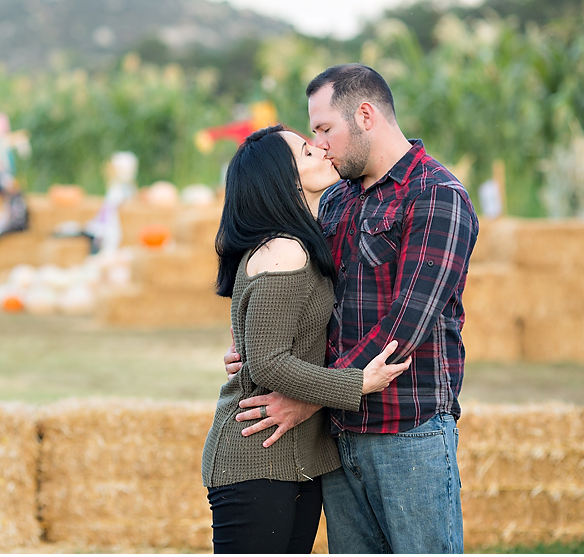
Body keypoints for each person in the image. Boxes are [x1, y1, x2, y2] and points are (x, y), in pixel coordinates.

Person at [224, 64, 479, 553]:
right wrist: (256, 340)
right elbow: (302, 296)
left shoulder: (436, 195)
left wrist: (310, 397)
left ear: (365, 115)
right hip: (338, 439)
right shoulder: (337, 198)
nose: (319, 144)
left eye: (324, 129)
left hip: (407, 433)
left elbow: (405, 327)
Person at [202, 124, 412, 554]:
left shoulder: (300, 241)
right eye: (305, 151)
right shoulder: (284, 249)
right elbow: (267, 363)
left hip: (291, 459)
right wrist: (358, 383)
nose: (319, 149)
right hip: (255, 457)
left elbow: (265, 346)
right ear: (284, 179)